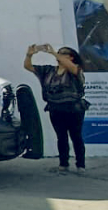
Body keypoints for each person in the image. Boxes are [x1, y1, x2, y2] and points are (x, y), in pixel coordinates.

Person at [24, 44, 87, 173]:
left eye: (63, 53)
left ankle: (81, 164)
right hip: (55, 108)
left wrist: (53, 52)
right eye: (59, 53)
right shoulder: (49, 70)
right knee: (61, 137)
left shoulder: (75, 70)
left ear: (71, 57)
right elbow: (28, 67)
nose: (59, 55)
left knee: (76, 136)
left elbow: (72, 68)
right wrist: (29, 55)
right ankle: (63, 164)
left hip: (73, 109)